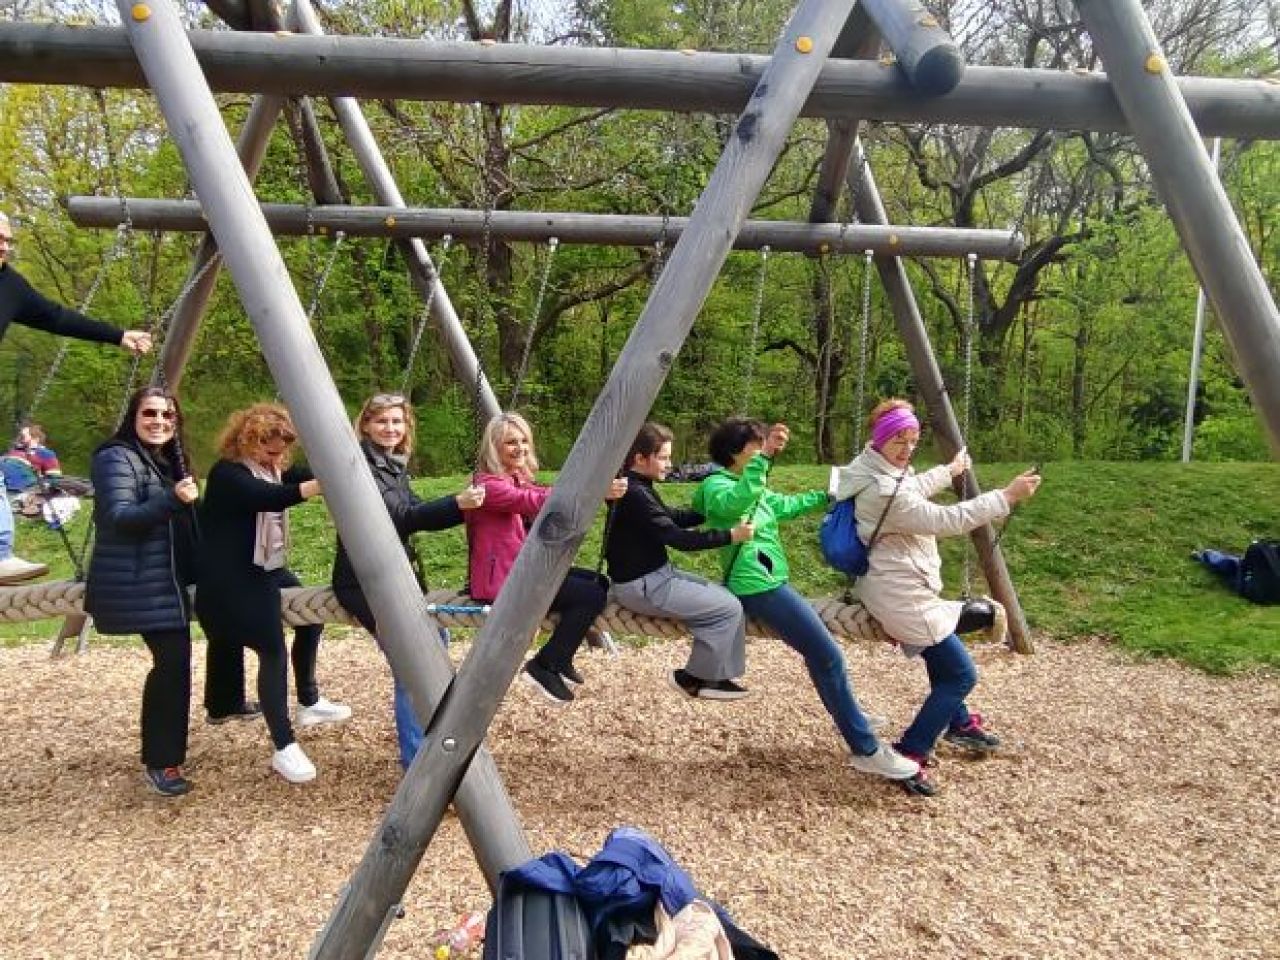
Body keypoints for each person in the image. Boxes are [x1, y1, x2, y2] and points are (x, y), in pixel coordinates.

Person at [692, 418, 923, 791]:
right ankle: (865, 748)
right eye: (756, 445)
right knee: (828, 656)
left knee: (821, 656)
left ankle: (852, 718)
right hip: (756, 585)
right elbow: (736, 504)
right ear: (736, 452)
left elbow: (783, 505)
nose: (762, 450)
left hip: (769, 580)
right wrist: (765, 459)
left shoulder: (751, 483)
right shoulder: (716, 486)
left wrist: (828, 496)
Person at [833, 398, 1041, 793]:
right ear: (881, 439)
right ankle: (911, 751)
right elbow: (947, 519)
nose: (907, 449)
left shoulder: (871, 468)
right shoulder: (881, 490)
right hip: (903, 599)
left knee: (941, 660)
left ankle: (958, 722)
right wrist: (1006, 496)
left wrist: (950, 470)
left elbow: (913, 485)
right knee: (961, 673)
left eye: (913, 441)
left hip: (894, 588)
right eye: (899, 441)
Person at [331, 392, 486, 769]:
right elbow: (400, 516)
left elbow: (414, 509)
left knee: (435, 649)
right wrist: (457, 504)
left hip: (392, 577)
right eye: (382, 421)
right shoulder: (361, 466)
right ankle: (417, 763)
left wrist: (460, 507)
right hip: (364, 581)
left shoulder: (390, 465)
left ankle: (429, 743)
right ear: (366, 425)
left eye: (397, 421)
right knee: (412, 668)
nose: (390, 428)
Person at [196, 403, 348, 785]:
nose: (276, 455)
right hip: (231, 575)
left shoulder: (273, 469)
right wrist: (320, 485)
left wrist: (339, 459)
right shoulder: (228, 474)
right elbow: (267, 498)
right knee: (272, 649)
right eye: (268, 447)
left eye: (282, 448)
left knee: (310, 619)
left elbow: (302, 475)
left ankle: (309, 700)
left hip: (266, 567)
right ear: (246, 441)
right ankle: (284, 746)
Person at [0, 210, 152, 584]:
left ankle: (0, 554)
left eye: (8, 240)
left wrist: (118, 335)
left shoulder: (9, 285)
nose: (5, 247)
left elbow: (56, 317)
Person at [84, 387, 200, 797]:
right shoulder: (116, 457)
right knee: (171, 664)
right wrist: (173, 499)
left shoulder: (164, 459)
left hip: (165, 581)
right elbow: (119, 517)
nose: (159, 422)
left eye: (168, 416)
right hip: (139, 581)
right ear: (133, 417)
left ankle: (219, 707)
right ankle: (162, 761)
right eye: (150, 413)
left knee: (177, 663)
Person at [466, 412, 627, 705]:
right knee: (589, 595)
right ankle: (545, 665)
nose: (520, 448)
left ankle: (561, 656)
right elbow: (537, 501)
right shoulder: (487, 485)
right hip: (503, 582)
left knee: (597, 582)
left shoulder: (515, 479)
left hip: (520, 572)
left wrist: (595, 489)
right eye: (511, 442)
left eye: (524, 441)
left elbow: (539, 491)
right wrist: (594, 490)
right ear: (494, 447)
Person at [605, 422, 754, 700]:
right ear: (640, 458)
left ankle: (715, 675)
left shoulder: (636, 486)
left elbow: (669, 516)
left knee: (726, 598)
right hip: (644, 587)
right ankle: (695, 679)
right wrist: (731, 536)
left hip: (654, 578)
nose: (669, 464)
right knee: (727, 608)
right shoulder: (634, 494)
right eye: (663, 458)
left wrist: (706, 511)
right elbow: (677, 539)